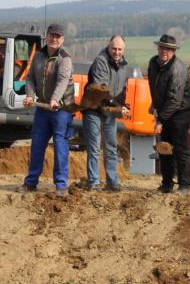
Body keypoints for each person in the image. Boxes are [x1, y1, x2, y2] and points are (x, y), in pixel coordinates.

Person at [18, 23, 75, 198]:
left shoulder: (65, 59)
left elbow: (62, 81)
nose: (54, 39)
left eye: (58, 36)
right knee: (37, 145)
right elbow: (29, 78)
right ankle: (31, 182)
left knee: (60, 145)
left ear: (62, 39)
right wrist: (29, 95)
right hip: (43, 109)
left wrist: (55, 99)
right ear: (46, 36)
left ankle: (61, 185)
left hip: (62, 109)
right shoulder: (38, 56)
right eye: (52, 35)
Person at [147, 34, 190, 194]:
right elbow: (154, 87)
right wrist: (154, 104)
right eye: (162, 47)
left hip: (180, 111)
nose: (164, 51)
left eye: (168, 49)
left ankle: (184, 185)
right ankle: (167, 184)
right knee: (164, 148)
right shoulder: (153, 63)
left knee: (180, 149)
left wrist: (160, 119)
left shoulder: (178, 69)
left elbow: (175, 100)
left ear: (174, 51)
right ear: (158, 48)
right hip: (165, 110)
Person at [83, 35, 131, 192]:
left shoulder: (124, 66)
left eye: (119, 49)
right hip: (94, 108)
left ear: (123, 50)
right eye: (114, 48)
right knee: (95, 147)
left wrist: (122, 105)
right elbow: (101, 89)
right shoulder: (101, 61)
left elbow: (123, 90)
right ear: (109, 47)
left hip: (109, 111)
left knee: (111, 146)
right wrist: (115, 106)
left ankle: (112, 181)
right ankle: (94, 182)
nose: (116, 52)